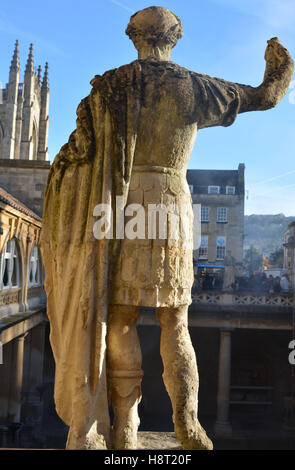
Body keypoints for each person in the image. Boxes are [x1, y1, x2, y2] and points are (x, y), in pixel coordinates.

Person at [41, 6, 294, 450]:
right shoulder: (195, 86)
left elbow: (74, 157)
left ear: (130, 36)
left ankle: (125, 429)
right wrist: (282, 65)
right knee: (176, 321)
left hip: (118, 205)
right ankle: (188, 425)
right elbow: (268, 95)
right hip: (172, 204)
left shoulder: (108, 89)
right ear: (176, 36)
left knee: (119, 320)